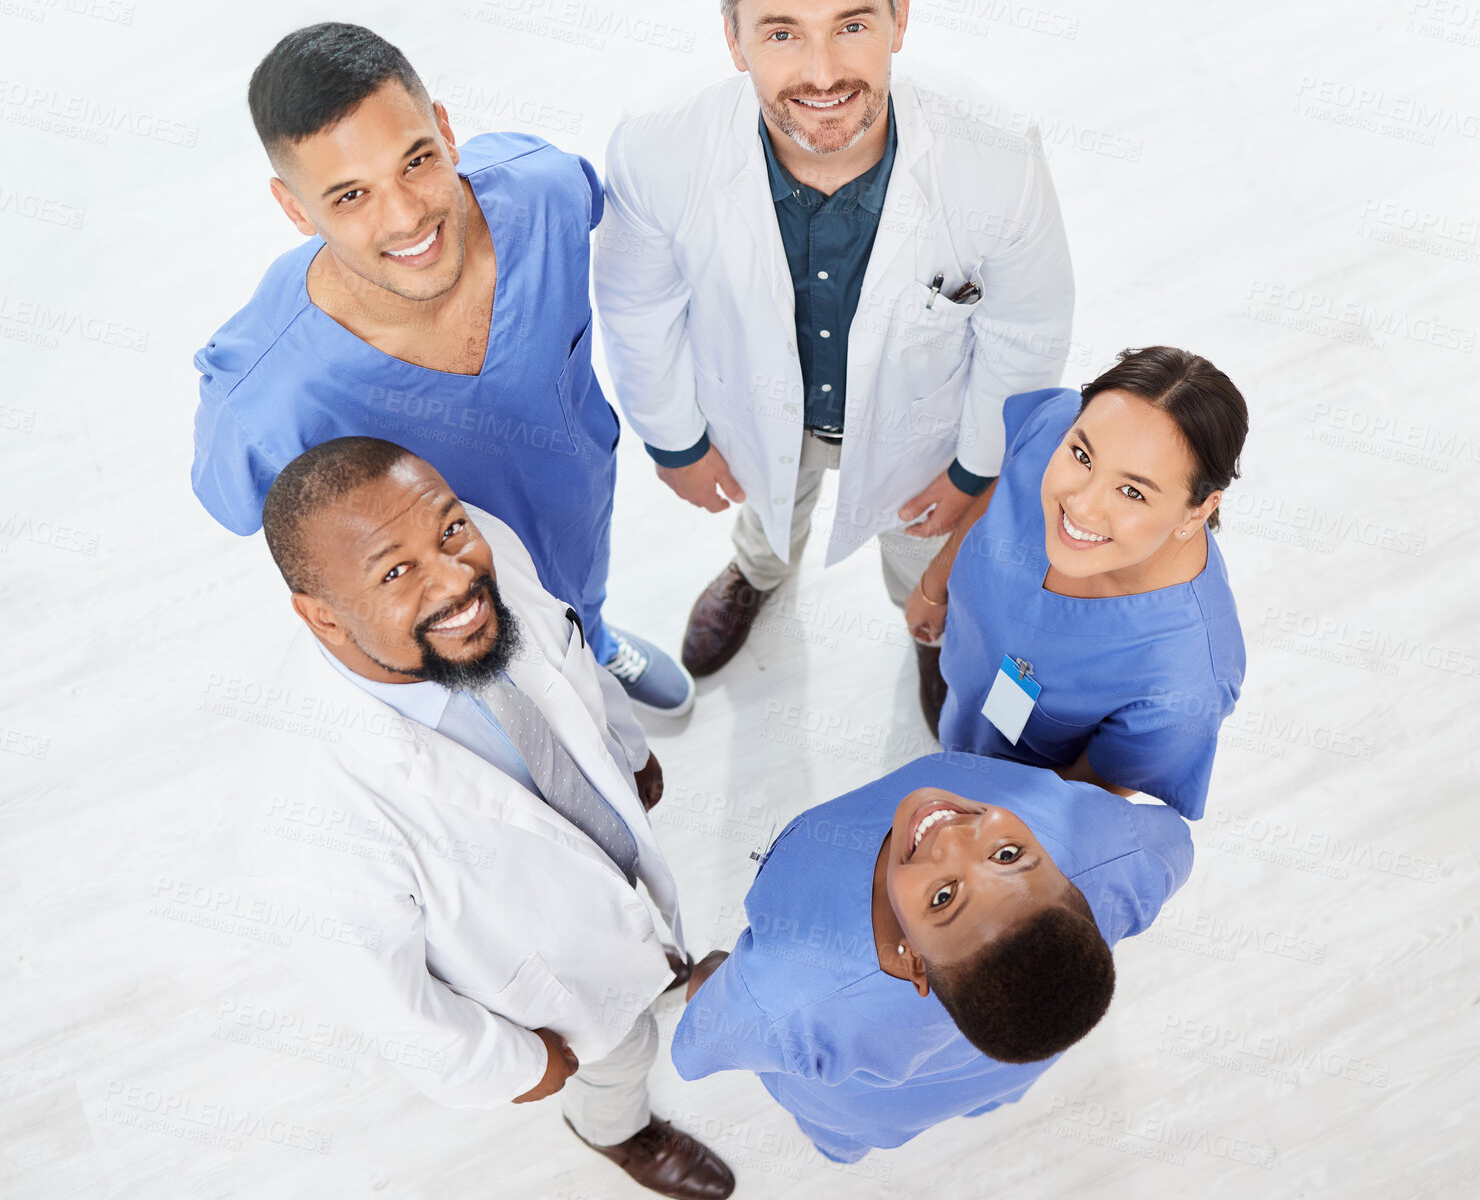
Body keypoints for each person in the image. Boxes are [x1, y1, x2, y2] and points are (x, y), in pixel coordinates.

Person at [593, 0, 1075, 730]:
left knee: (921, 543)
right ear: (735, 42)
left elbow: (1025, 328)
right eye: (782, 33)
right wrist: (674, 437)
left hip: (922, 427)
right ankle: (759, 571)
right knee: (772, 502)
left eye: (853, 25)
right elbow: (638, 306)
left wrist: (975, 466)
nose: (821, 74)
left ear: (900, 18)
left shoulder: (995, 151)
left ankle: (928, 624)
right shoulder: (658, 144)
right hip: (754, 405)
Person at [236, 438, 733, 1199]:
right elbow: (401, 1014)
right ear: (323, 620)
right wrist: (527, 1064)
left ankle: (660, 964)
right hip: (561, 1000)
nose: (456, 575)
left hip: (609, 866)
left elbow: (571, 655)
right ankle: (614, 1126)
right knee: (622, 1052)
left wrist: (627, 751)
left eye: (448, 530)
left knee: (651, 936)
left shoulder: (486, 545)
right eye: (396, 571)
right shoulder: (312, 830)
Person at [191, 22, 693, 716]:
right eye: (350, 196)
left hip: (574, 503)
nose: (406, 217)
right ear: (294, 209)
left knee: (578, 591)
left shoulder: (544, 191)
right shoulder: (267, 392)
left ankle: (593, 644)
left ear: (447, 131)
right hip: (449, 595)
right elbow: (243, 507)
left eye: (416, 160)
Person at [672, 750, 1191, 1163]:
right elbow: (1174, 843)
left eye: (944, 897)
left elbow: (697, 1046)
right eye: (1007, 856)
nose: (955, 836)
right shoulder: (1103, 844)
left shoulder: (795, 993)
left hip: (868, 1106)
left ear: (911, 961)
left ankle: (836, 1152)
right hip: (995, 1070)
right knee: (978, 1088)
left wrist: (714, 975)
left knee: (842, 1132)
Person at [907, 346, 1248, 820]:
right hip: (962, 689)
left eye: (1132, 491)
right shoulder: (1060, 425)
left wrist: (981, 827)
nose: (1082, 507)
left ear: (1199, 510)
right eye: (1082, 456)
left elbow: (1083, 795)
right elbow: (1009, 483)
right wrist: (935, 582)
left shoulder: (1184, 680)